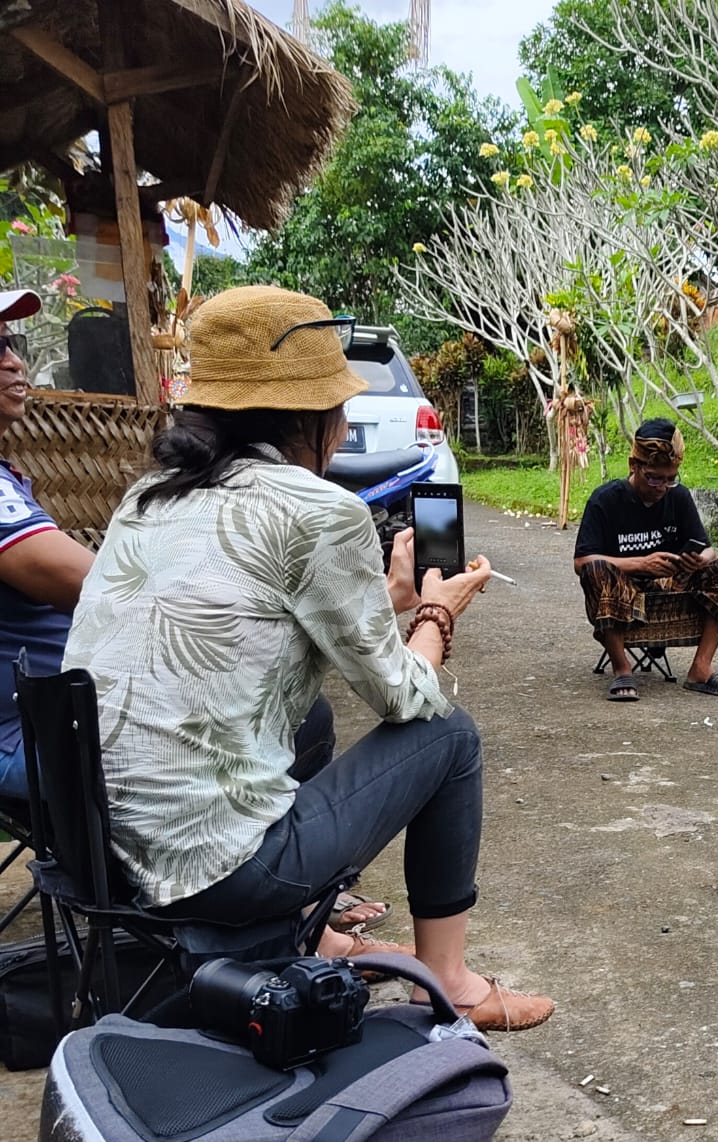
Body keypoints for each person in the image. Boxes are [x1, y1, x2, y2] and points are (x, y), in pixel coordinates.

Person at [64, 285, 552, 1031]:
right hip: (217, 872)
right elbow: (405, 698)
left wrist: (385, 599)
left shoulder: (150, 496)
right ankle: (448, 982)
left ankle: (310, 936)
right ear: (310, 416)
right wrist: (435, 612)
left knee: (313, 718)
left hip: (103, 851)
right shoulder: (318, 510)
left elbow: (267, 625)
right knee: (450, 736)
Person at [574, 418, 718, 701]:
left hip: (672, 589)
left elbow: (708, 549)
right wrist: (641, 564)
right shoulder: (604, 500)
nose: (662, 487)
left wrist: (699, 560)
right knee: (596, 569)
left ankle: (701, 669)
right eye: (654, 477)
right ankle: (622, 668)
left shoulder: (678, 497)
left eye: (670, 478)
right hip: (621, 593)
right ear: (633, 465)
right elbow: (581, 562)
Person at [0, 288, 93, 801]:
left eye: (12, 345)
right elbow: (101, 589)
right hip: (24, 734)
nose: (15, 362)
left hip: (45, 709)